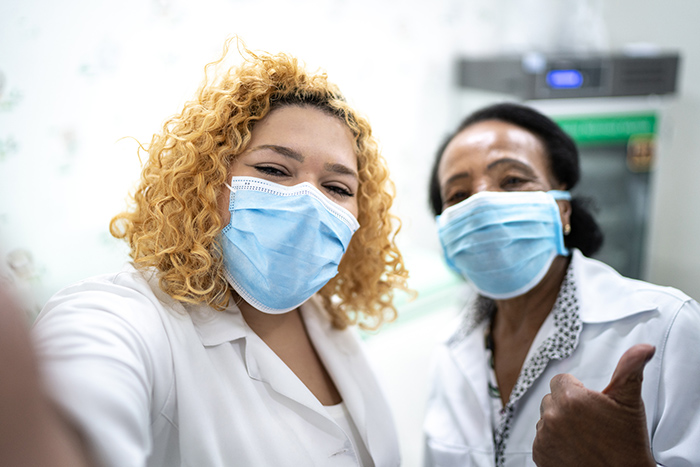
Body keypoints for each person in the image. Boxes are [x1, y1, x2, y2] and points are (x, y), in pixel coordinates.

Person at [31, 41, 410, 467]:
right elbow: (77, 396)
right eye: (272, 170)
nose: (308, 202)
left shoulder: (324, 317)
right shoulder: (125, 318)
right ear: (205, 179)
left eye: (337, 188)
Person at [422, 102, 700, 466]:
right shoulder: (450, 349)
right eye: (458, 195)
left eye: (512, 180)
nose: (483, 202)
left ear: (562, 208)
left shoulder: (665, 327)